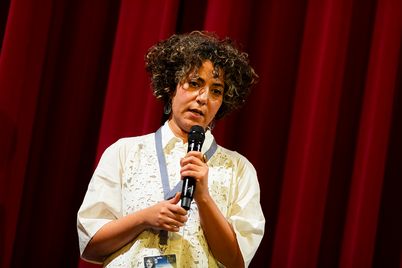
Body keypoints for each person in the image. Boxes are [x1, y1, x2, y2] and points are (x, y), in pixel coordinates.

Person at [77, 31, 265, 268]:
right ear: (171, 86)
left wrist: (203, 197)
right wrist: (144, 218)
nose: (203, 98)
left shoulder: (238, 169)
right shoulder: (124, 152)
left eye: (216, 91)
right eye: (194, 83)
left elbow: (237, 262)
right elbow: (91, 245)